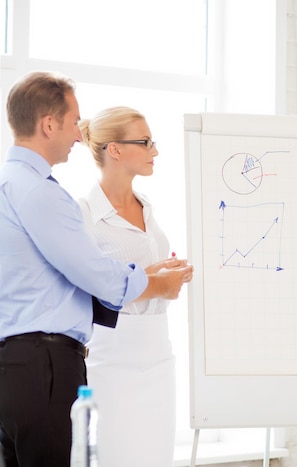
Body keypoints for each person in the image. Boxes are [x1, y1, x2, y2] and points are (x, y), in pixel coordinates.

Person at [0, 71, 193, 467]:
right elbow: (95, 275)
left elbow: (63, 276)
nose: (77, 134)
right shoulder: (42, 193)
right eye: (73, 123)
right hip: (45, 363)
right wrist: (155, 284)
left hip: (26, 362)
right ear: (48, 124)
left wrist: (146, 276)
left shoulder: (11, 183)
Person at [78, 106, 180, 467]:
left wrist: (169, 278)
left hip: (158, 353)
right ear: (115, 150)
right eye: (145, 142)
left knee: (157, 456)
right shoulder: (84, 215)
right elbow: (85, 292)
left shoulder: (147, 206)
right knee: (115, 455)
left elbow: (142, 274)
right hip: (113, 358)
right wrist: (154, 282)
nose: (155, 150)